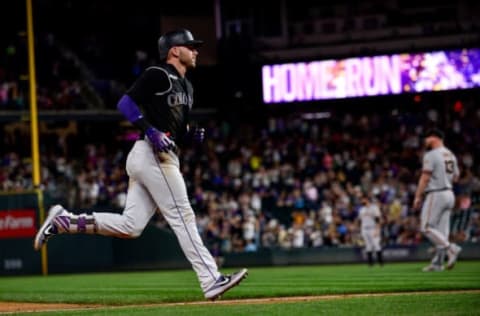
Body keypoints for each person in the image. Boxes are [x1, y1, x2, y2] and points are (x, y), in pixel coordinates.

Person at [34, 29, 248, 300]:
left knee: (130, 226)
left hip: (156, 156)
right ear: (174, 51)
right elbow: (125, 103)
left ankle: (65, 221)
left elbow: (175, 129)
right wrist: (149, 130)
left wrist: (189, 134)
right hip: (151, 155)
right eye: (190, 46)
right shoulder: (158, 73)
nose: (195, 51)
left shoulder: (187, 86)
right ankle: (211, 279)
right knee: (183, 215)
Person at [413, 128, 461, 271]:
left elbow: (425, 177)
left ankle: (450, 248)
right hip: (449, 193)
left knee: (426, 227)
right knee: (441, 231)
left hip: (436, 193)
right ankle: (437, 263)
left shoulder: (431, 154)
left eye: (427, 138)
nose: (425, 141)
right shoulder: (450, 154)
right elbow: (456, 176)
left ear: (434, 138)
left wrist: (417, 196)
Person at [357, 194, 383, 266]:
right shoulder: (362, 209)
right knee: (368, 246)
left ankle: (381, 264)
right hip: (364, 229)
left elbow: (378, 219)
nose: (361, 201)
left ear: (367, 199)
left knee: (376, 245)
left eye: (362, 199)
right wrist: (360, 230)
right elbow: (360, 220)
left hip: (373, 228)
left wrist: (377, 229)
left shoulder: (374, 208)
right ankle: (370, 264)